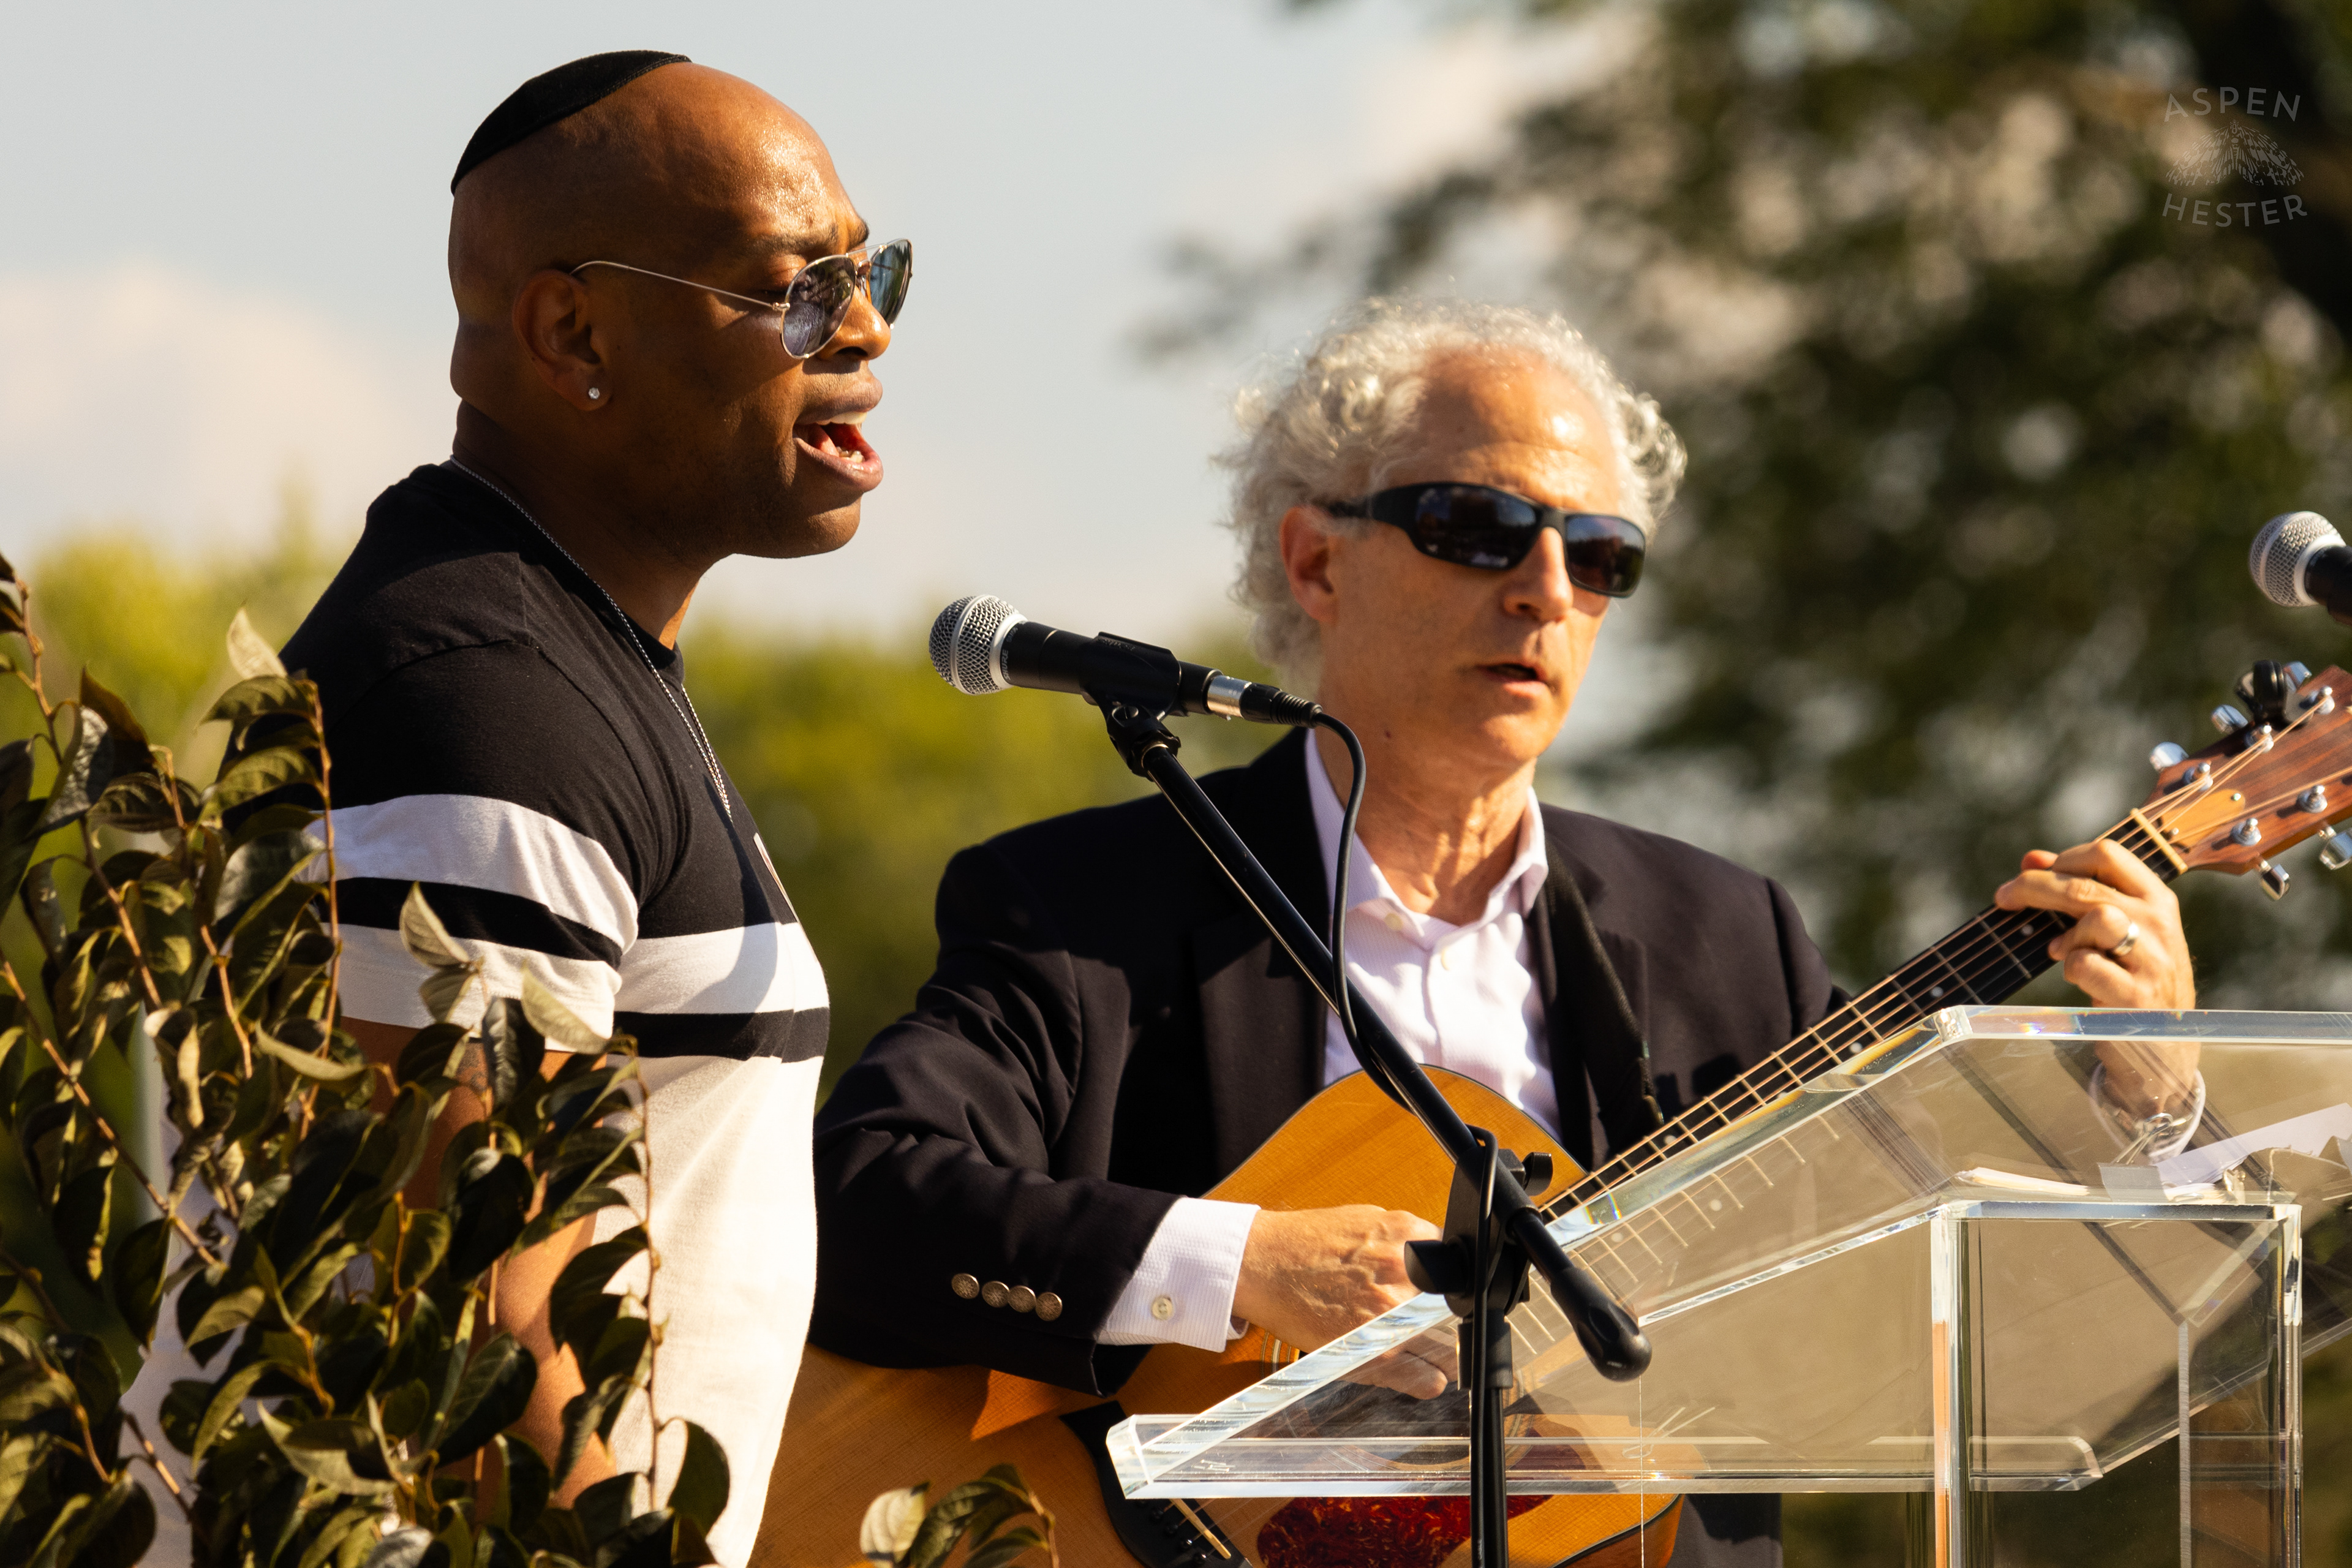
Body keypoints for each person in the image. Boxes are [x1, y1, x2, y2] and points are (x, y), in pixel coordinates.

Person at [806, 299, 2195, 1567]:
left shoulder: (1726, 933)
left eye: (1599, 555)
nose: (1544, 588)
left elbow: (1958, 1313)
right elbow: (867, 1195)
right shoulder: (1089, 906)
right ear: (1314, 559)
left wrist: (2154, 1106)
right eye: (1476, 525)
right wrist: (1246, 1268)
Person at [282, 51, 903, 1564]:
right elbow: (473, 1330)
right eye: (797, 288)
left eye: (871, 269)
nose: (869, 325)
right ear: (573, 329)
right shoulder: (480, 702)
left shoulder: (566, 659)